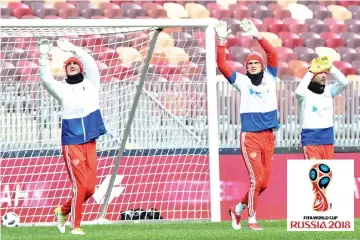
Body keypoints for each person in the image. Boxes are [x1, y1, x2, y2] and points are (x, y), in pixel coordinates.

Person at [214, 20, 279, 230]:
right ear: (246, 68)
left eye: (255, 63)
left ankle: (237, 211)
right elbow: (222, 66)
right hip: (250, 136)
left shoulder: (271, 77)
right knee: (256, 180)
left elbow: (273, 56)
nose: (252, 66)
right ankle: (252, 219)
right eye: (249, 64)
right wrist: (222, 42)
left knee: (265, 184)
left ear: (261, 66)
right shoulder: (241, 82)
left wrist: (258, 36)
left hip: (269, 136)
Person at [38, 38, 107, 235]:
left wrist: (74, 49)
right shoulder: (62, 89)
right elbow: (45, 78)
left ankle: (62, 211)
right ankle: (75, 226)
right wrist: (44, 56)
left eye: (75, 63)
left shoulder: (92, 84)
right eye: (69, 65)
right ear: (65, 70)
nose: (72, 66)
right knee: (79, 185)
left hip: (91, 141)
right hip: (72, 142)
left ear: (81, 68)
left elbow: (91, 63)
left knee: (90, 189)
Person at [295, 56, 348, 160]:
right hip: (311, 140)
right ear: (312, 76)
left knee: (327, 174)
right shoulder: (304, 94)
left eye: (325, 73)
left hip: (328, 138)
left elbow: (344, 83)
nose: (323, 75)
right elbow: (298, 92)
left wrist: (331, 68)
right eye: (319, 73)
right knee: (314, 173)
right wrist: (310, 72)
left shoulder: (329, 91)